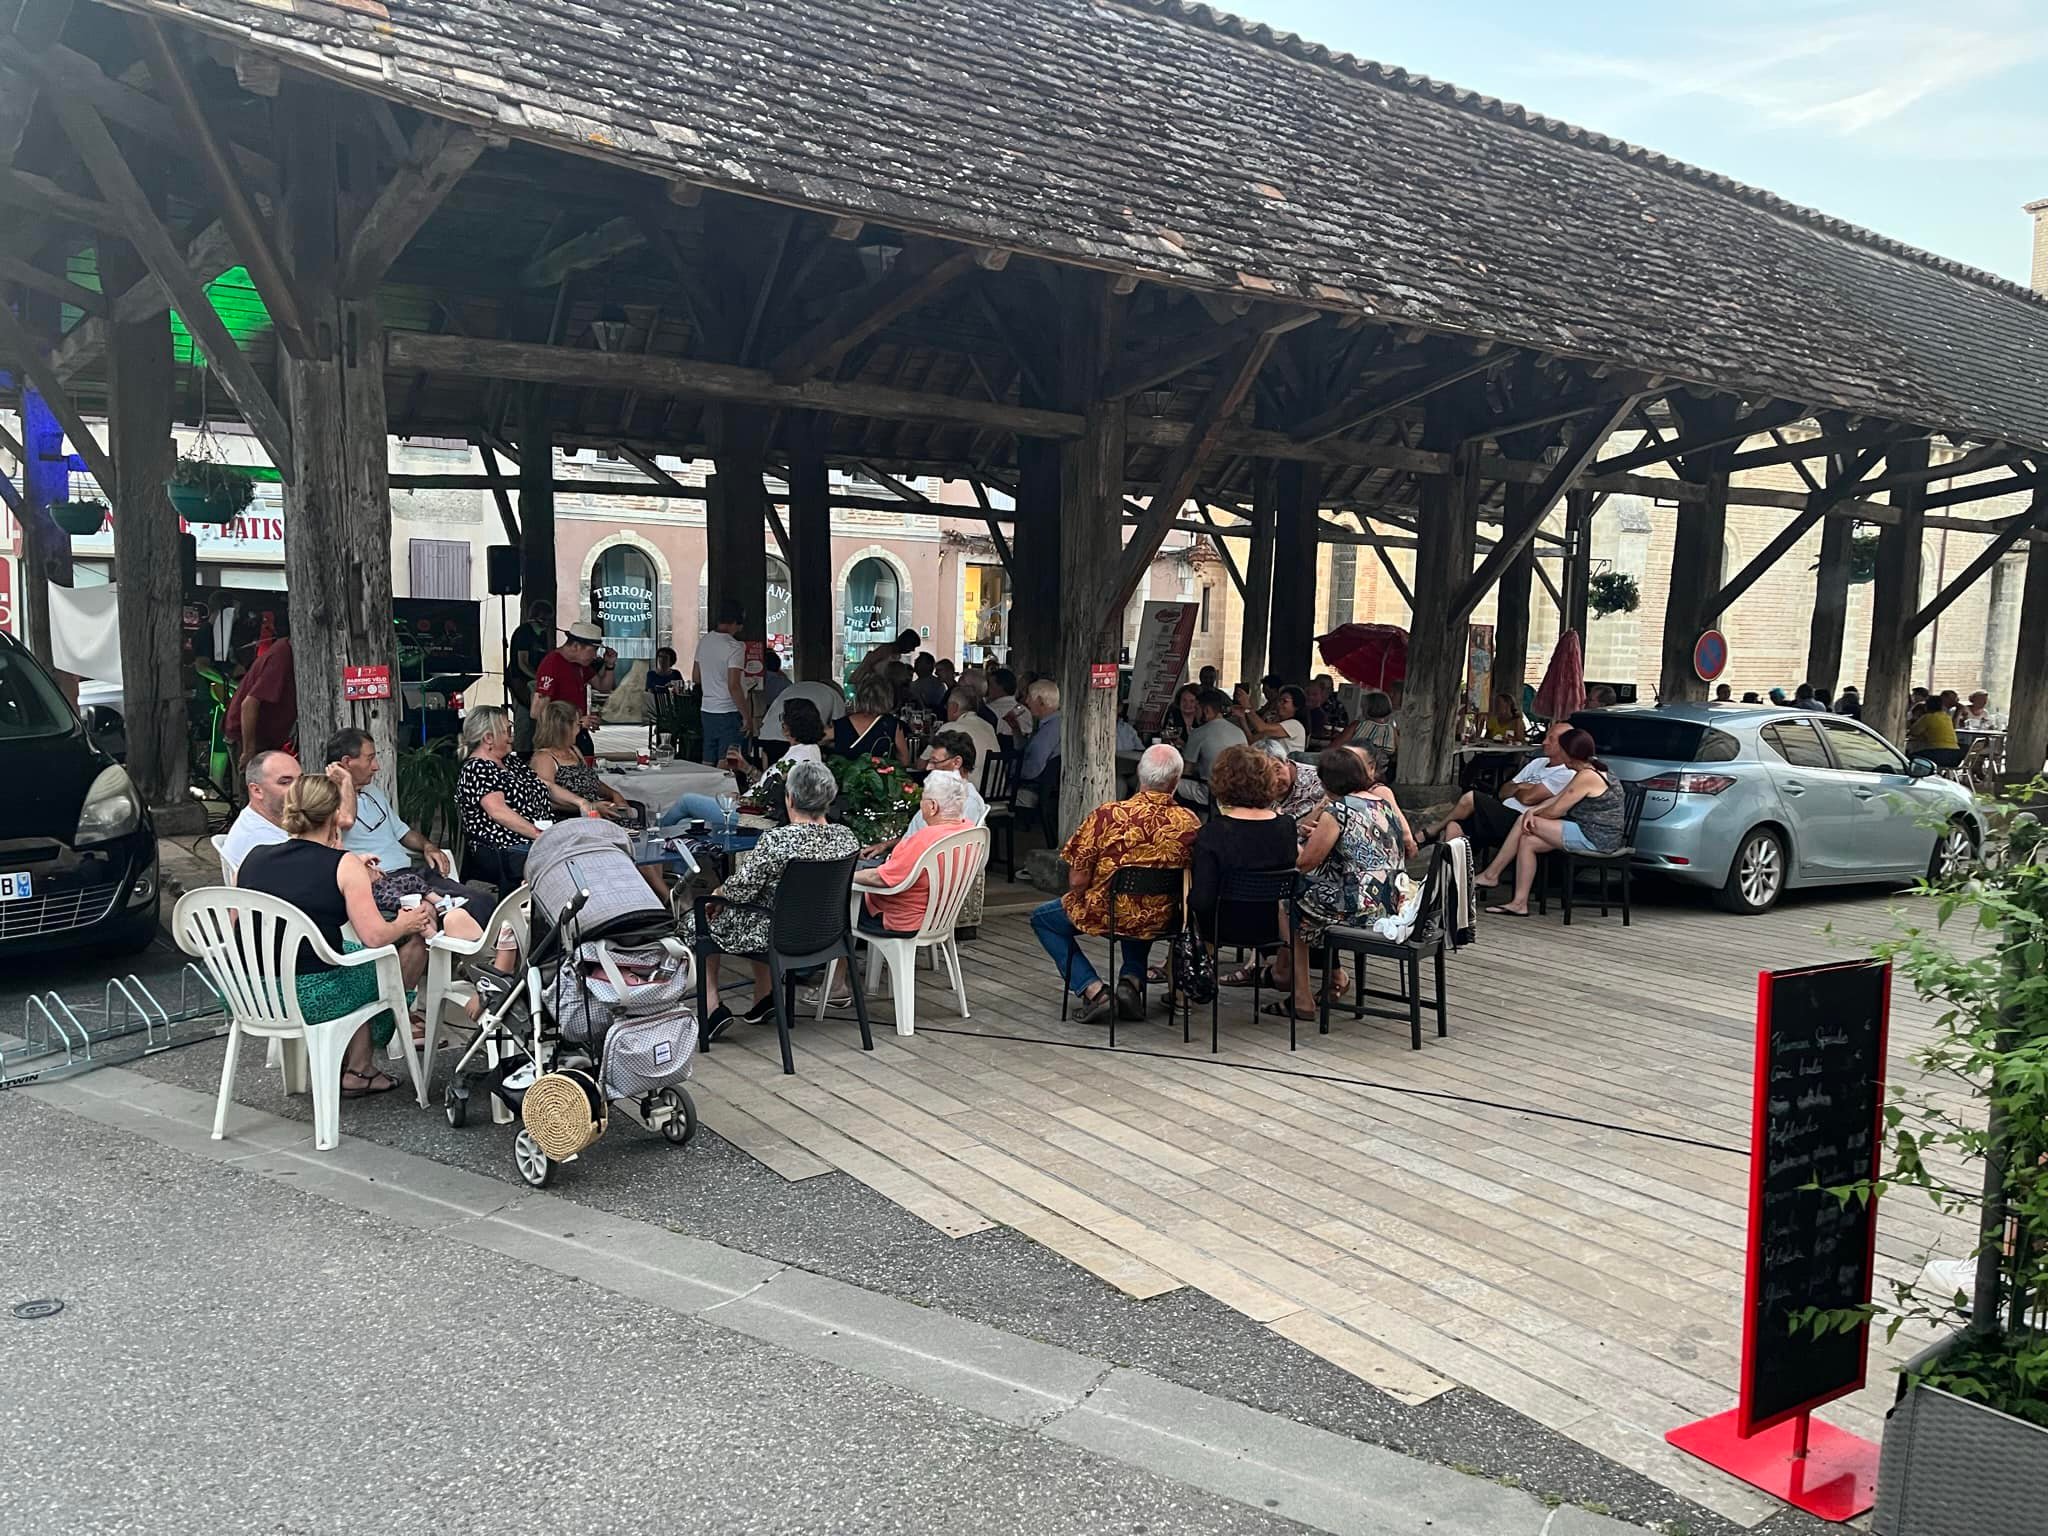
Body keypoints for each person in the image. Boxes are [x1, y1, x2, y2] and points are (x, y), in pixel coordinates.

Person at [238, 772, 440, 1097]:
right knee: (387, 960)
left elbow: (245, 918)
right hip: (311, 994)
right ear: (335, 815)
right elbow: (375, 936)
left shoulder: (253, 857)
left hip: (248, 991)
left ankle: (349, 1060)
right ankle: (360, 1069)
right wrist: (409, 922)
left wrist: (349, 864)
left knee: (351, 956)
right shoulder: (343, 865)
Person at [682, 760, 858, 1040]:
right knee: (764, 907)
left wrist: (716, 894)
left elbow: (741, 890)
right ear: (829, 797)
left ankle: (711, 1007)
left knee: (699, 918)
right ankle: (765, 998)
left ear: (790, 799)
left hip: (779, 935)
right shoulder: (846, 838)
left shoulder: (778, 840)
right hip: (827, 934)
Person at [1030, 744, 1198, 1024]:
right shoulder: (1190, 822)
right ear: (1176, 781)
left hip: (1109, 913)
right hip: (1164, 916)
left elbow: (1077, 880)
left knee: (1042, 920)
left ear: (1139, 775)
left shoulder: (1108, 816)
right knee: (1141, 906)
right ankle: (1131, 981)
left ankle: (1093, 990)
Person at [1263, 747, 1403, 1021]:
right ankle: (1323, 975)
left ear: (1327, 782)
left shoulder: (1338, 810)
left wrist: (1288, 833)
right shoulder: (1381, 804)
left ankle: (1300, 994)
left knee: (1290, 901)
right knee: (1309, 899)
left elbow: (1305, 863)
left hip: (1359, 906)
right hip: (1390, 899)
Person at [323, 728, 480, 940]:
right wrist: (346, 783)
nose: (376, 767)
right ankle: (473, 958)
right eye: (370, 759)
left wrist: (428, 846)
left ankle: (475, 958)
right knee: (448, 908)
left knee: (477, 899)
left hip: (411, 874)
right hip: (384, 881)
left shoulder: (373, 792)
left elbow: (403, 832)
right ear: (346, 762)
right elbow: (346, 821)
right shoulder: (326, 799)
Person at [1473, 727, 1625, 917]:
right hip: (1587, 830)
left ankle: (1491, 874)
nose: (1558, 755)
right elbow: (1559, 798)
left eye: (1561, 750)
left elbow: (1556, 811)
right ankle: (1519, 903)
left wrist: (1529, 816)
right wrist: (1534, 810)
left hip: (1596, 837)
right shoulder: (1589, 769)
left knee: (1523, 823)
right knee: (1528, 841)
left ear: (1570, 754)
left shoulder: (1588, 776)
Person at [1189, 745, 1297, 950]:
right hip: (1271, 925)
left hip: (1222, 926)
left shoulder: (1213, 833)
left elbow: (1201, 900)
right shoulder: (1287, 825)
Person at [1425, 721, 1575, 856]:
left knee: (1472, 797)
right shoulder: (1538, 762)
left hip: (1520, 821)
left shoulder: (1566, 772)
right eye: (1546, 737)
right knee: (1454, 827)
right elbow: (1503, 791)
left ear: (1565, 745)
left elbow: (1527, 798)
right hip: (1501, 814)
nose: (1544, 742)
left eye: (1551, 739)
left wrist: (1519, 790)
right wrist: (1524, 786)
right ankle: (1452, 879)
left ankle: (1434, 829)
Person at [854, 770, 972, 934]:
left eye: (922, 799)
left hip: (901, 919)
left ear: (932, 807)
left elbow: (880, 878)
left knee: (834, 901)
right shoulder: (969, 830)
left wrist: (843, 875)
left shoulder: (925, 839)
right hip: (939, 917)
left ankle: (834, 959)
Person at [455, 705, 556, 884]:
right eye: (508, 730)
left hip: (532, 836)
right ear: (488, 738)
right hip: (502, 847)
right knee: (563, 856)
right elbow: (498, 811)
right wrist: (540, 836)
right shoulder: (477, 768)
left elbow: (543, 784)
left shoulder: (510, 761)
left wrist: (582, 802)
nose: (512, 736)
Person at [529, 699, 637, 822]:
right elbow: (547, 800)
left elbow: (589, 781)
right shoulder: (544, 758)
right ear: (564, 728)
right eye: (577, 725)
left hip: (595, 815)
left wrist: (613, 794)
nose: (579, 730)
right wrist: (588, 807)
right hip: (571, 821)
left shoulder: (573, 750)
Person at [535, 619, 618, 758]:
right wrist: (577, 721)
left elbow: (603, 687)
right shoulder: (552, 664)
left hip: (578, 732)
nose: (595, 656)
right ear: (576, 646)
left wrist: (610, 666)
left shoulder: (580, 664)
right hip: (559, 738)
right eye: (593, 650)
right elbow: (537, 711)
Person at [226, 622, 295, 769]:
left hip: (269, 738)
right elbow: (249, 704)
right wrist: (249, 751)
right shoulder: (282, 655)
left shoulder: (286, 651)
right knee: (257, 785)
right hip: (249, 737)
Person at [692, 597, 752, 765]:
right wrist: (746, 716)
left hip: (707, 709)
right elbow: (734, 685)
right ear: (735, 622)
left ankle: (706, 789)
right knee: (727, 761)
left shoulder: (704, 642)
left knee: (708, 757)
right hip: (728, 711)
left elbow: (696, 677)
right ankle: (725, 792)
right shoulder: (735, 647)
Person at [221, 749, 300, 873]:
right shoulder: (263, 842)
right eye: (285, 782)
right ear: (257, 790)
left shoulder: (262, 821)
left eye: (301, 780)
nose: (299, 789)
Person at [1180, 688, 1247, 804]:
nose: (1195, 713)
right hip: (1239, 791)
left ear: (1206, 710)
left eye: (1197, 709)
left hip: (1211, 793)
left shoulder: (1198, 733)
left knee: (1172, 783)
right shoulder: (1239, 731)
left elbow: (1187, 770)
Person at [834, 677, 912, 765]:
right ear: (887, 698)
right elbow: (904, 760)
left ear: (859, 696)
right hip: (880, 777)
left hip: (846, 777)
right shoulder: (892, 724)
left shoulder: (840, 724)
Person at [760, 672, 847, 748]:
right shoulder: (834, 695)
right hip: (798, 741)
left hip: (767, 734)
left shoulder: (797, 687)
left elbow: (767, 718)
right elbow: (840, 729)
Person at [1253, 737, 1324, 823]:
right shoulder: (1252, 787)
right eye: (1265, 775)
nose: (1275, 780)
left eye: (1277, 770)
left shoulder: (1321, 782)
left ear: (1287, 761)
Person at [942, 685, 999, 781]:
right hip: (997, 791)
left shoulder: (950, 727)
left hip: (970, 791)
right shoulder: (988, 726)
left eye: (947, 706)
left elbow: (922, 764)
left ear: (954, 707)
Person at [1017, 678, 1062, 788]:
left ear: (1041, 701)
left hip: (1034, 791)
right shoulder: (1058, 723)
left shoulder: (1049, 730)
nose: (1026, 701)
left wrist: (1010, 769)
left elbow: (1032, 769)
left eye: (1030, 697)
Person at [852, 627, 922, 694]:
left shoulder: (896, 655)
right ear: (907, 643)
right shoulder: (886, 650)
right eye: (913, 646)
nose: (912, 650)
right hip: (871, 685)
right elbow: (868, 664)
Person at [1240, 684, 1308, 751]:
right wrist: (1242, 718)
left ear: (1296, 706)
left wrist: (1247, 706)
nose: (1279, 704)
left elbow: (1261, 728)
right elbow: (1252, 741)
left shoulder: (1295, 725)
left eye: (1285, 701)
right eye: (1279, 700)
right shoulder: (1276, 725)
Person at [1347, 690, 1399, 771]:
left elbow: (1334, 747)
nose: (1362, 708)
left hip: (1354, 768)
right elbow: (1397, 754)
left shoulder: (1358, 726)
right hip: (1380, 772)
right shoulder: (1391, 731)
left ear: (1370, 707)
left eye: (1364, 706)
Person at [1906, 700, 1962, 767]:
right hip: (1955, 755)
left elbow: (1913, 732)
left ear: (1926, 707)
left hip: (1938, 753)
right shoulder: (1947, 717)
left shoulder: (1928, 717)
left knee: (1908, 757)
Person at [985, 666, 1030, 741]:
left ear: (999, 687)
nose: (987, 688)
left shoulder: (989, 712)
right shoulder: (1026, 711)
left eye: (990, 685)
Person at [1310, 675, 1350, 741]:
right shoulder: (1306, 701)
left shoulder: (1337, 707)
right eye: (1321, 687)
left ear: (1331, 690)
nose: (1323, 691)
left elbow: (1342, 730)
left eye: (1328, 689)